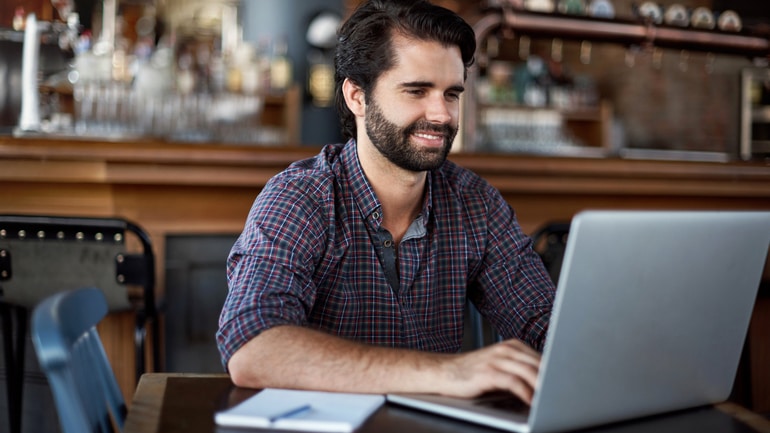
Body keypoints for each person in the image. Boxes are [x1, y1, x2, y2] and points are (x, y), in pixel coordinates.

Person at [217, 0, 555, 405]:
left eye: (451, 94)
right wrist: (448, 371)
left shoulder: (475, 203)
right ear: (357, 97)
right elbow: (253, 348)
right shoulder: (302, 197)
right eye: (417, 91)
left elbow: (546, 325)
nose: (442, 114)